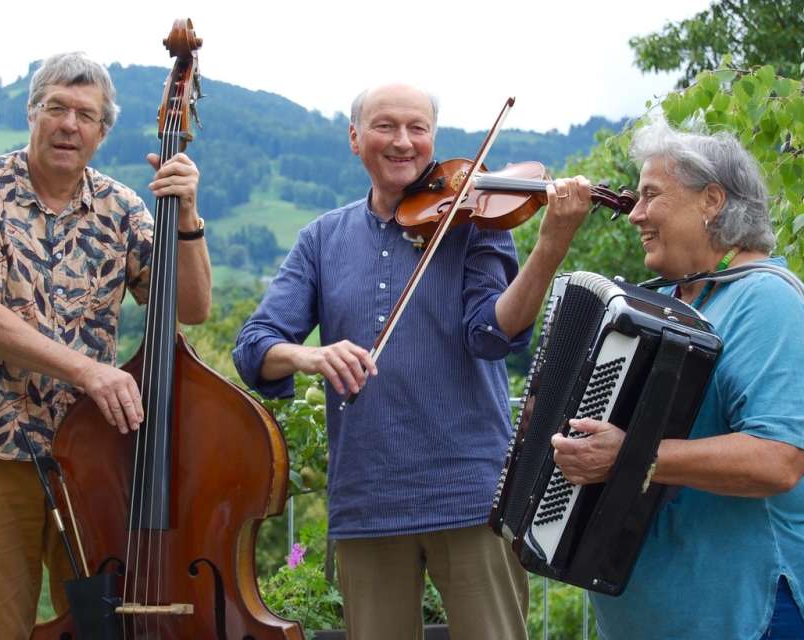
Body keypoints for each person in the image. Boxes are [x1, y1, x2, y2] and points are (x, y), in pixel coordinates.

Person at [233, 83, 592, 640]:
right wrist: (311, 354)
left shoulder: (473, 223)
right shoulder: (322, 239)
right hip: (369, 499)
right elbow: (254, 346)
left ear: (433, 140)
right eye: (385, 126)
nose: (403, 141)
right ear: (355, 138)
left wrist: (550, 247)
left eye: (417, 128)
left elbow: (493, 334)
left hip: (471, 492)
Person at [0, 52, 212, 639]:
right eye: (56, 108)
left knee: (102, 625)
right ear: (32, 113)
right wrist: (89, 373)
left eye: (85, 115)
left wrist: (188, 217)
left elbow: (192, 308)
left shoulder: (123, 208)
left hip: (92, 460)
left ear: (102, 132)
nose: (69, 125)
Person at [550, 118, 804, 639]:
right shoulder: (668, 305)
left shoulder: (766, 299)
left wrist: (631, 456)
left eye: (651, 196)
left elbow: (781, 458)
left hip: (742, 614)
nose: (635, 214)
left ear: (711, 200)